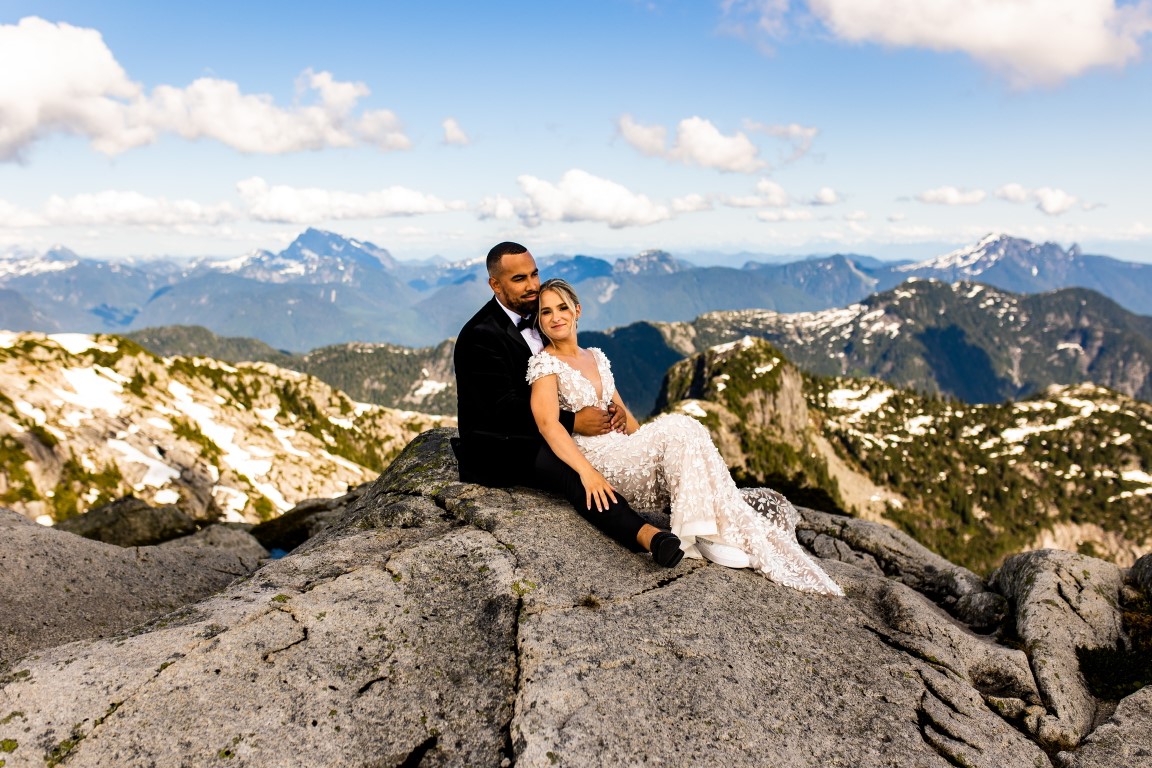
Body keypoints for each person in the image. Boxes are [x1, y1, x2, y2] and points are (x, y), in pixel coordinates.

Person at [526, 278, 843, 596]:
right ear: (539, 321)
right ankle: (700, 533)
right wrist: (587, 474)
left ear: (577, 310)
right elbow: (548, 424)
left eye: (562, 308)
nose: (555, 317)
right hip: (597, 460)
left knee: (686, 429)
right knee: (679, 426)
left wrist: (639, 433)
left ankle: (710, 528)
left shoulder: (595, 356)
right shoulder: (545, 364)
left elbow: (629, 420)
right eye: (546, 312)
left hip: (623, 448)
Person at [453, 242, 684, 567]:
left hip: (541, 424)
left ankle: (684, 504)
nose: (532, 285)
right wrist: (574, 421)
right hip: (498, 443)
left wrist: (606, 407)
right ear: (495, 285)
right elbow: (504, 410)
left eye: (535, 274)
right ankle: (649, 536)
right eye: (520, 279)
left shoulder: (541, 313)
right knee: (570, 471)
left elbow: (567, 370)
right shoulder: (480, 336)